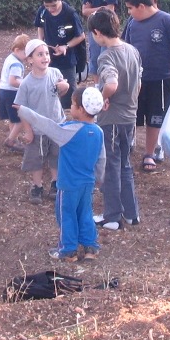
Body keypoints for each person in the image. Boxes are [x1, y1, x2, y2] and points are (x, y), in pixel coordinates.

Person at [17, 87, 106, 262]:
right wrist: (100, 179)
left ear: (81, 109)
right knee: (86, 213)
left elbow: (47, 125)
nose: (70, 107)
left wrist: (23, 110)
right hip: (87, 183)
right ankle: (90, 248)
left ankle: (68, 250)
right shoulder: (98, 132)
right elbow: (101, 159)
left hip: (68, 185)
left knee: (66, 215)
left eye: (73, 104)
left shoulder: (68, 131)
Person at [121, 0, 170, 173]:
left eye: (130, 8)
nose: (129, 12)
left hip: (161, 80)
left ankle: (149, 152)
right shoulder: (132, 23)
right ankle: (126, 147)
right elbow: (125, 47)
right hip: (137, 80)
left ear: (141, 6)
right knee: (132, 114)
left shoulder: (167, 21)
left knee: (154, 118)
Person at [89, 8, 142, 230]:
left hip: (111, 120)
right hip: (129, 116)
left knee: (111, 167)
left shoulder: (106, 55)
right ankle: (131, 214)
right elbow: (138, 84)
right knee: (125, 165)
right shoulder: (132, 50)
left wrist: (102, 99)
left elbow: (111, 83)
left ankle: (111, 217)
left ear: (98, 32)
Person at [14, 38, 70, 204]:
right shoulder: (26, 84)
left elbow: (62, 89)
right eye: (40, 54)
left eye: (46, 53)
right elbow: (21, 109)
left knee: (56, 156)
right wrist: (28, 130)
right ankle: (37, 185)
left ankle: (55, 183)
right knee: (36, 159)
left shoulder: (55, 73)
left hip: (56, 124)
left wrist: (65, 87)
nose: (45, 57)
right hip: (37, 129)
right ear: (30, 59)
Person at [35, 0, 85, 109]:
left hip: (67, 61)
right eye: (47, 6)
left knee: (69, 95)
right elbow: (40, 26)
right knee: (49, 89)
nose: (50, 9)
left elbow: (81, 36)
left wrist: (66, 46)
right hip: (48, 59)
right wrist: (41, 42)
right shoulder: (42, 11)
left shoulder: (70, 14)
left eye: (53, 5)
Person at [81, 0, 118, 83]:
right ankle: (97, 86)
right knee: (94, 58)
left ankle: (107, 83)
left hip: (107, 28)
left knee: (106, 56)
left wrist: (95, 9)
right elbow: (84, 11)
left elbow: (110, 10)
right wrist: (101, 8)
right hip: (93, 28)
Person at [0, 33, 30, 154]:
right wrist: (26, 84)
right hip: (11, 93)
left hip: (3, 91)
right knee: (21, 118)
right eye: (25, 54)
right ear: (17, 50)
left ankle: (14, 140)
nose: (27, 57)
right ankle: (11, 140)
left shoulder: (10, 58)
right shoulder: (16, 64)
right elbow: (13, 81)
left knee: (13, 119)